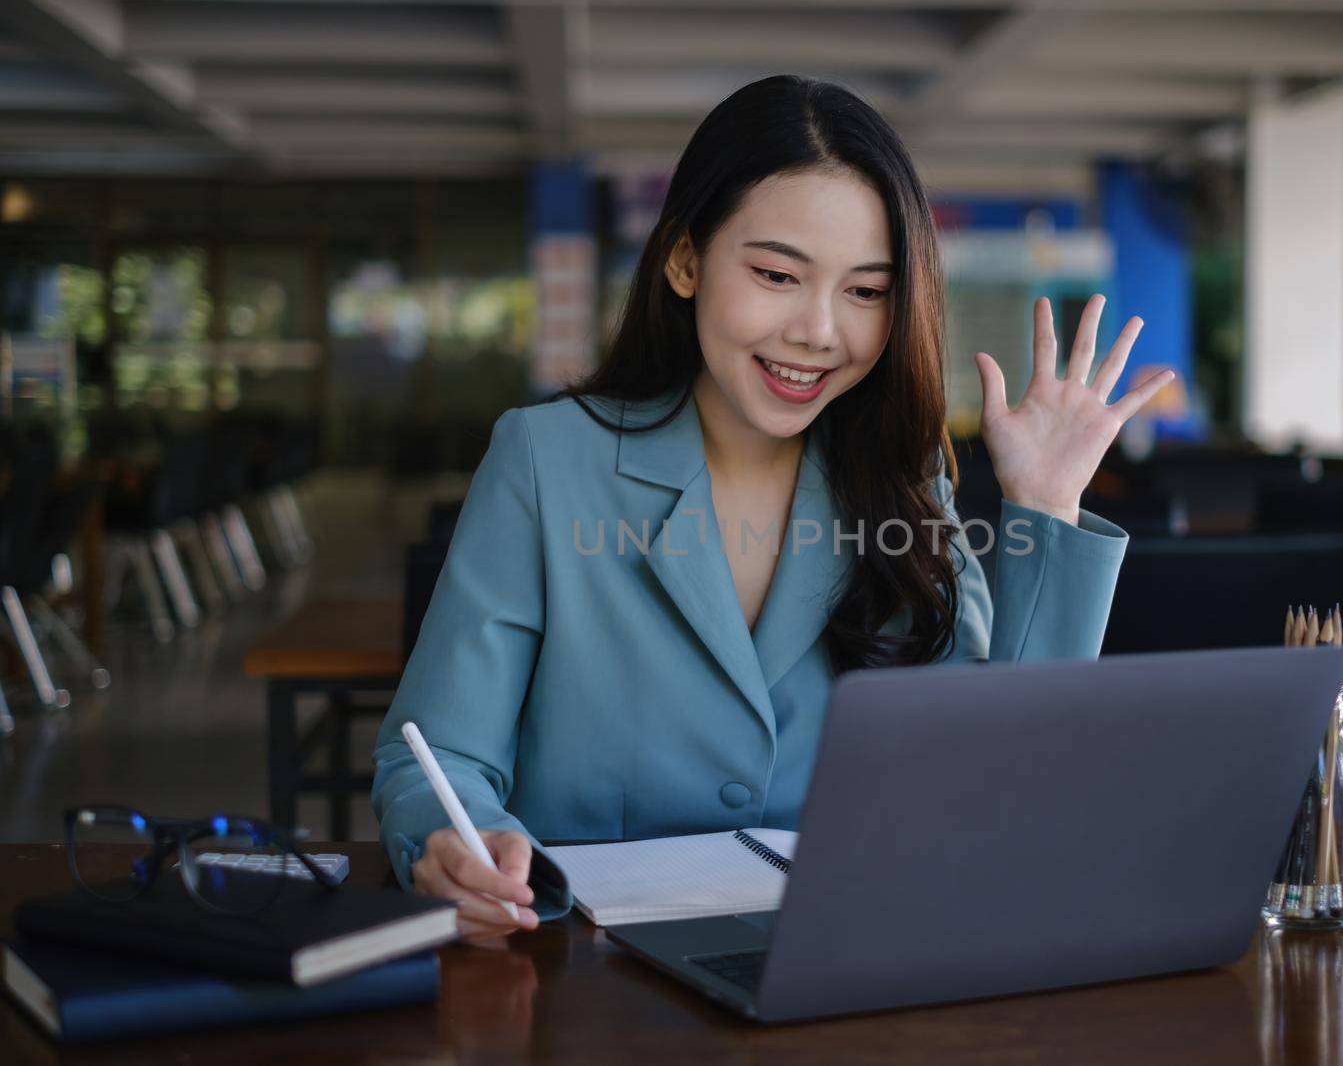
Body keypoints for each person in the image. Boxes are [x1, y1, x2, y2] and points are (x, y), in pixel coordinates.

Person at [371, 75, 1176, 943]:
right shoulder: (545, 461)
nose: (818, 331)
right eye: (776, 274)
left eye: (866, 291)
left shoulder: (902, 477)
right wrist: (455, 838)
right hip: (588, 974)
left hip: (848, 962)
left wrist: (1046, 505)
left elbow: (1001, 781)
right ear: (684, 260)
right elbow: (440, 756)